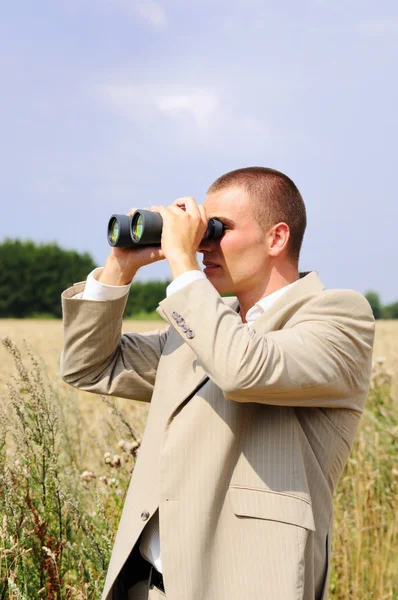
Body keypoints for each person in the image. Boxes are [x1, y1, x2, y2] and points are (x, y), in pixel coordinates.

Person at [60, 167, 375, 600]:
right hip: (148, 585)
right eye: (201, 230)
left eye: (218, 229)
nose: (203, 243)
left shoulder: (339, 317)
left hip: (243, 584)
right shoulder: (201, 329)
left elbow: (245, 368)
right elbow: (89, 366)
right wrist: (121, 265)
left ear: (276, 238)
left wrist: (182, 263)